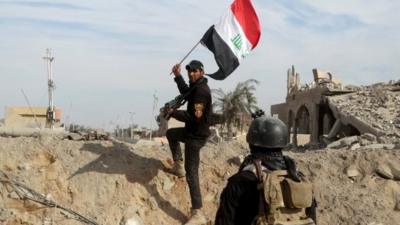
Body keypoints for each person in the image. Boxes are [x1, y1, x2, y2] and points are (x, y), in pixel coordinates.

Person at [215, 115, 317, 225]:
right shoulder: (300, 180)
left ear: (250, 143)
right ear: (282, 143)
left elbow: (224, 221)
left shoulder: (240, 181)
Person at [166, 60, 212, 225]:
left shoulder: (201, 92)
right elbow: (186, 92)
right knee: (171, 134)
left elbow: (195, 118)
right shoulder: (195, 86)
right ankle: (178, 166)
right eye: (189, 71)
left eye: (194, 71)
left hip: (196, 137)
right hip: (191, 131)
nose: (191, 73)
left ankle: (198, 212)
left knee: (191, 172)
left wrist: (173, 113)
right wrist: (178, 76)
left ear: (202, 71)